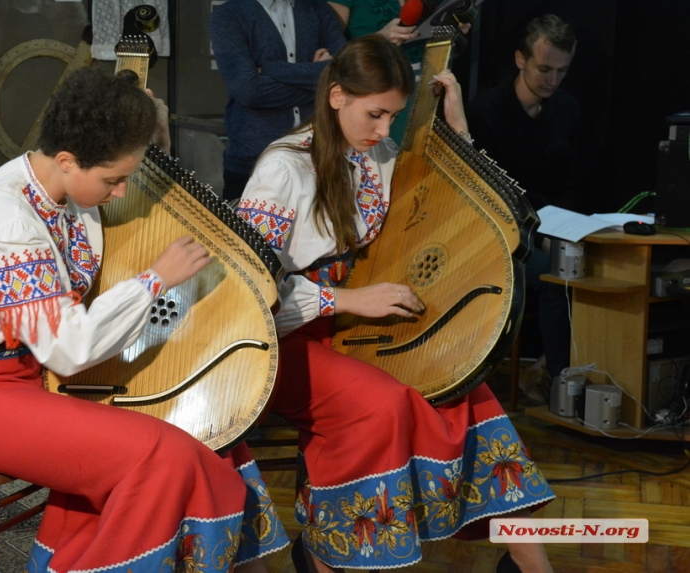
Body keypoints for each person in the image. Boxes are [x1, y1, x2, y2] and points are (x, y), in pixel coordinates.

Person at [0, 67, 289, 573]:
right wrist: (155, 280)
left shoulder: (65, 190)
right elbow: (67, 349)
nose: (119, 192)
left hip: (39, 382)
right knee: (159, 457)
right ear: (67, 160)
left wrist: (146, 125)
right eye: (114, 180)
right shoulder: (8, 221)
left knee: (212, 440)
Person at [237, 35, 555, 572]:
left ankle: (530, 566)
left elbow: (459, 206)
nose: (385, 131)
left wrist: (458, 130)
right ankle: (327, 553)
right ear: (336, 96)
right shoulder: (283, 170)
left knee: (465, 389)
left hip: (360, 325)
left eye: (394, 117)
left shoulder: (376, 153)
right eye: (376, 114)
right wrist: (348, 297)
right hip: (285, 339)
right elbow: (247, 292)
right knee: (381, 406)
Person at [466, 14, 578, 391]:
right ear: (520, 60)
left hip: (549, 225)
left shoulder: (565, 110)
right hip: (499, 234)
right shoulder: (486, 111)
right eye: (545, 69)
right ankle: (562, 382)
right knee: (556, 276)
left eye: (562, 71)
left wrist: (566, 229)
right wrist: (541, 235)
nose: (553, 80)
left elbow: (568, 184)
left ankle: (562, 369)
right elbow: (493, 195)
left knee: (602, 267)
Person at [210, 0, 347, 201]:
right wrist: (319, 82)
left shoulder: (317, 9)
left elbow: (345, 71)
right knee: (243, 232)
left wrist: (269, 69)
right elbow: (248, 90)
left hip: (319, 157)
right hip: (252, 161)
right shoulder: (229, 14)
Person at [328, 0, 473, 144]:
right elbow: (329, 52)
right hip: (371, 93)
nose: (384, 130)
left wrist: (453, 26)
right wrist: (378, 39)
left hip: (425, 92)